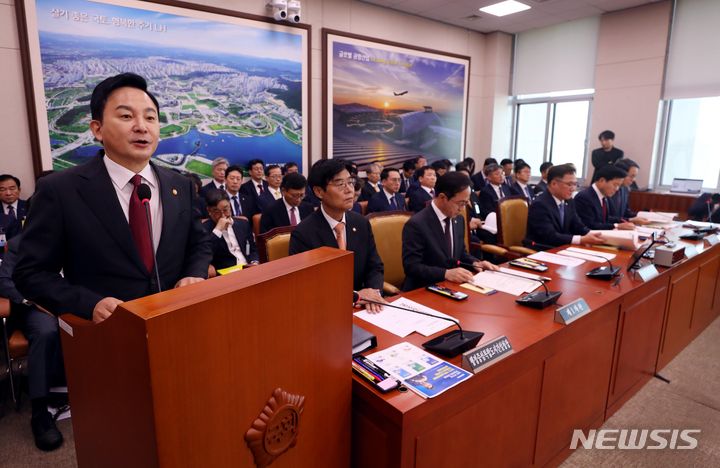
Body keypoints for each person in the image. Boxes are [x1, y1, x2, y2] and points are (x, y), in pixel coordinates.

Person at [12, 72, 212, 444]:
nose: (142, 126)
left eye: (150, 117)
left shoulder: (178, 184)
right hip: (104, 342)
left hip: (175, 334)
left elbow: (198, 244)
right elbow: (31, 273)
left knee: (179, 431)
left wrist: (195, 275)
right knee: (120, 440)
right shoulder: (61, 190)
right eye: (126, 116)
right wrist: (90, 302)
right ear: (97, 129)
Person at [289, 160, 385, 312]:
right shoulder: (303, 234)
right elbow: (308, 286)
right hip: (324, 311)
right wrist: (356, 296)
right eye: (340, 184)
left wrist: (373, 293)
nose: (349, 190)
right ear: (319, 192)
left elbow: (374, 266)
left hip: (364, 309)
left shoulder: (361, 222)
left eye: (350, 182)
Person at [0, 235, 65, 451]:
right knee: (46, 331)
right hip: (35, 306)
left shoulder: (73, 237)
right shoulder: (20, 244)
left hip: (70, 301)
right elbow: (4, 281)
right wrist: (33, 302)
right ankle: (39, 412)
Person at [402, 172, 497, 291]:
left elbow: (460, 254)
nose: (462, 209)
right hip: (424, 288)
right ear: (443, 198)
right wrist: (445, 273)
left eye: (466, 203)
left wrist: (475, 262)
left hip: (452, 286)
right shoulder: (417, 224)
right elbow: (412, 267)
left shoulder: (458, 219)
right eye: (460, 203)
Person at [524, 164, 605, 249]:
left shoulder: (569, 201)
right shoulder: (539, 204)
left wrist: (592, 235)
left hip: (563, 248)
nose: (573, 189)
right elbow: (550, 236)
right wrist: (581, 239)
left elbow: (578, 226)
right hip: (542, 250)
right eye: (569, 184)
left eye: (575, 184)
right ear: (554, 183)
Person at [203, 191, 258, 274]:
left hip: (249, 268)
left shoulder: (243, 223)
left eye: (225, 210)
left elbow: (253, 249)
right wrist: (218, 230)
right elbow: (205, 254)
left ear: (230, 206)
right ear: (209, 211)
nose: (223, 216)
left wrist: (255, 261)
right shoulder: (203, 229)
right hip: (227, 273)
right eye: (217, 212)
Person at [574, 165, 636, 231]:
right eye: (615, 185)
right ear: (602, 181)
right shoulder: (584, 197)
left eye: (619, 186)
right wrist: (617, 226)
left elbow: (604, 219)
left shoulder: (604, 196)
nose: (617, 189)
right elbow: (590, 225)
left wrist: (627, 221)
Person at [611, 159, 650, 225]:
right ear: (621, 173)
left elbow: (626, 213)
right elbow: (607, 218)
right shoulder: (608, 190)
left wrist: (645, 215)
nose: (634, 180)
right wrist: (630, 220)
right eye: (632, 176)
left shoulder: (625, 189)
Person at [0, 174, 27, 241]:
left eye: (12, 188)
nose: (8, 193)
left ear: (19, 190)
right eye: (3, 189)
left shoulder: (29, 206)